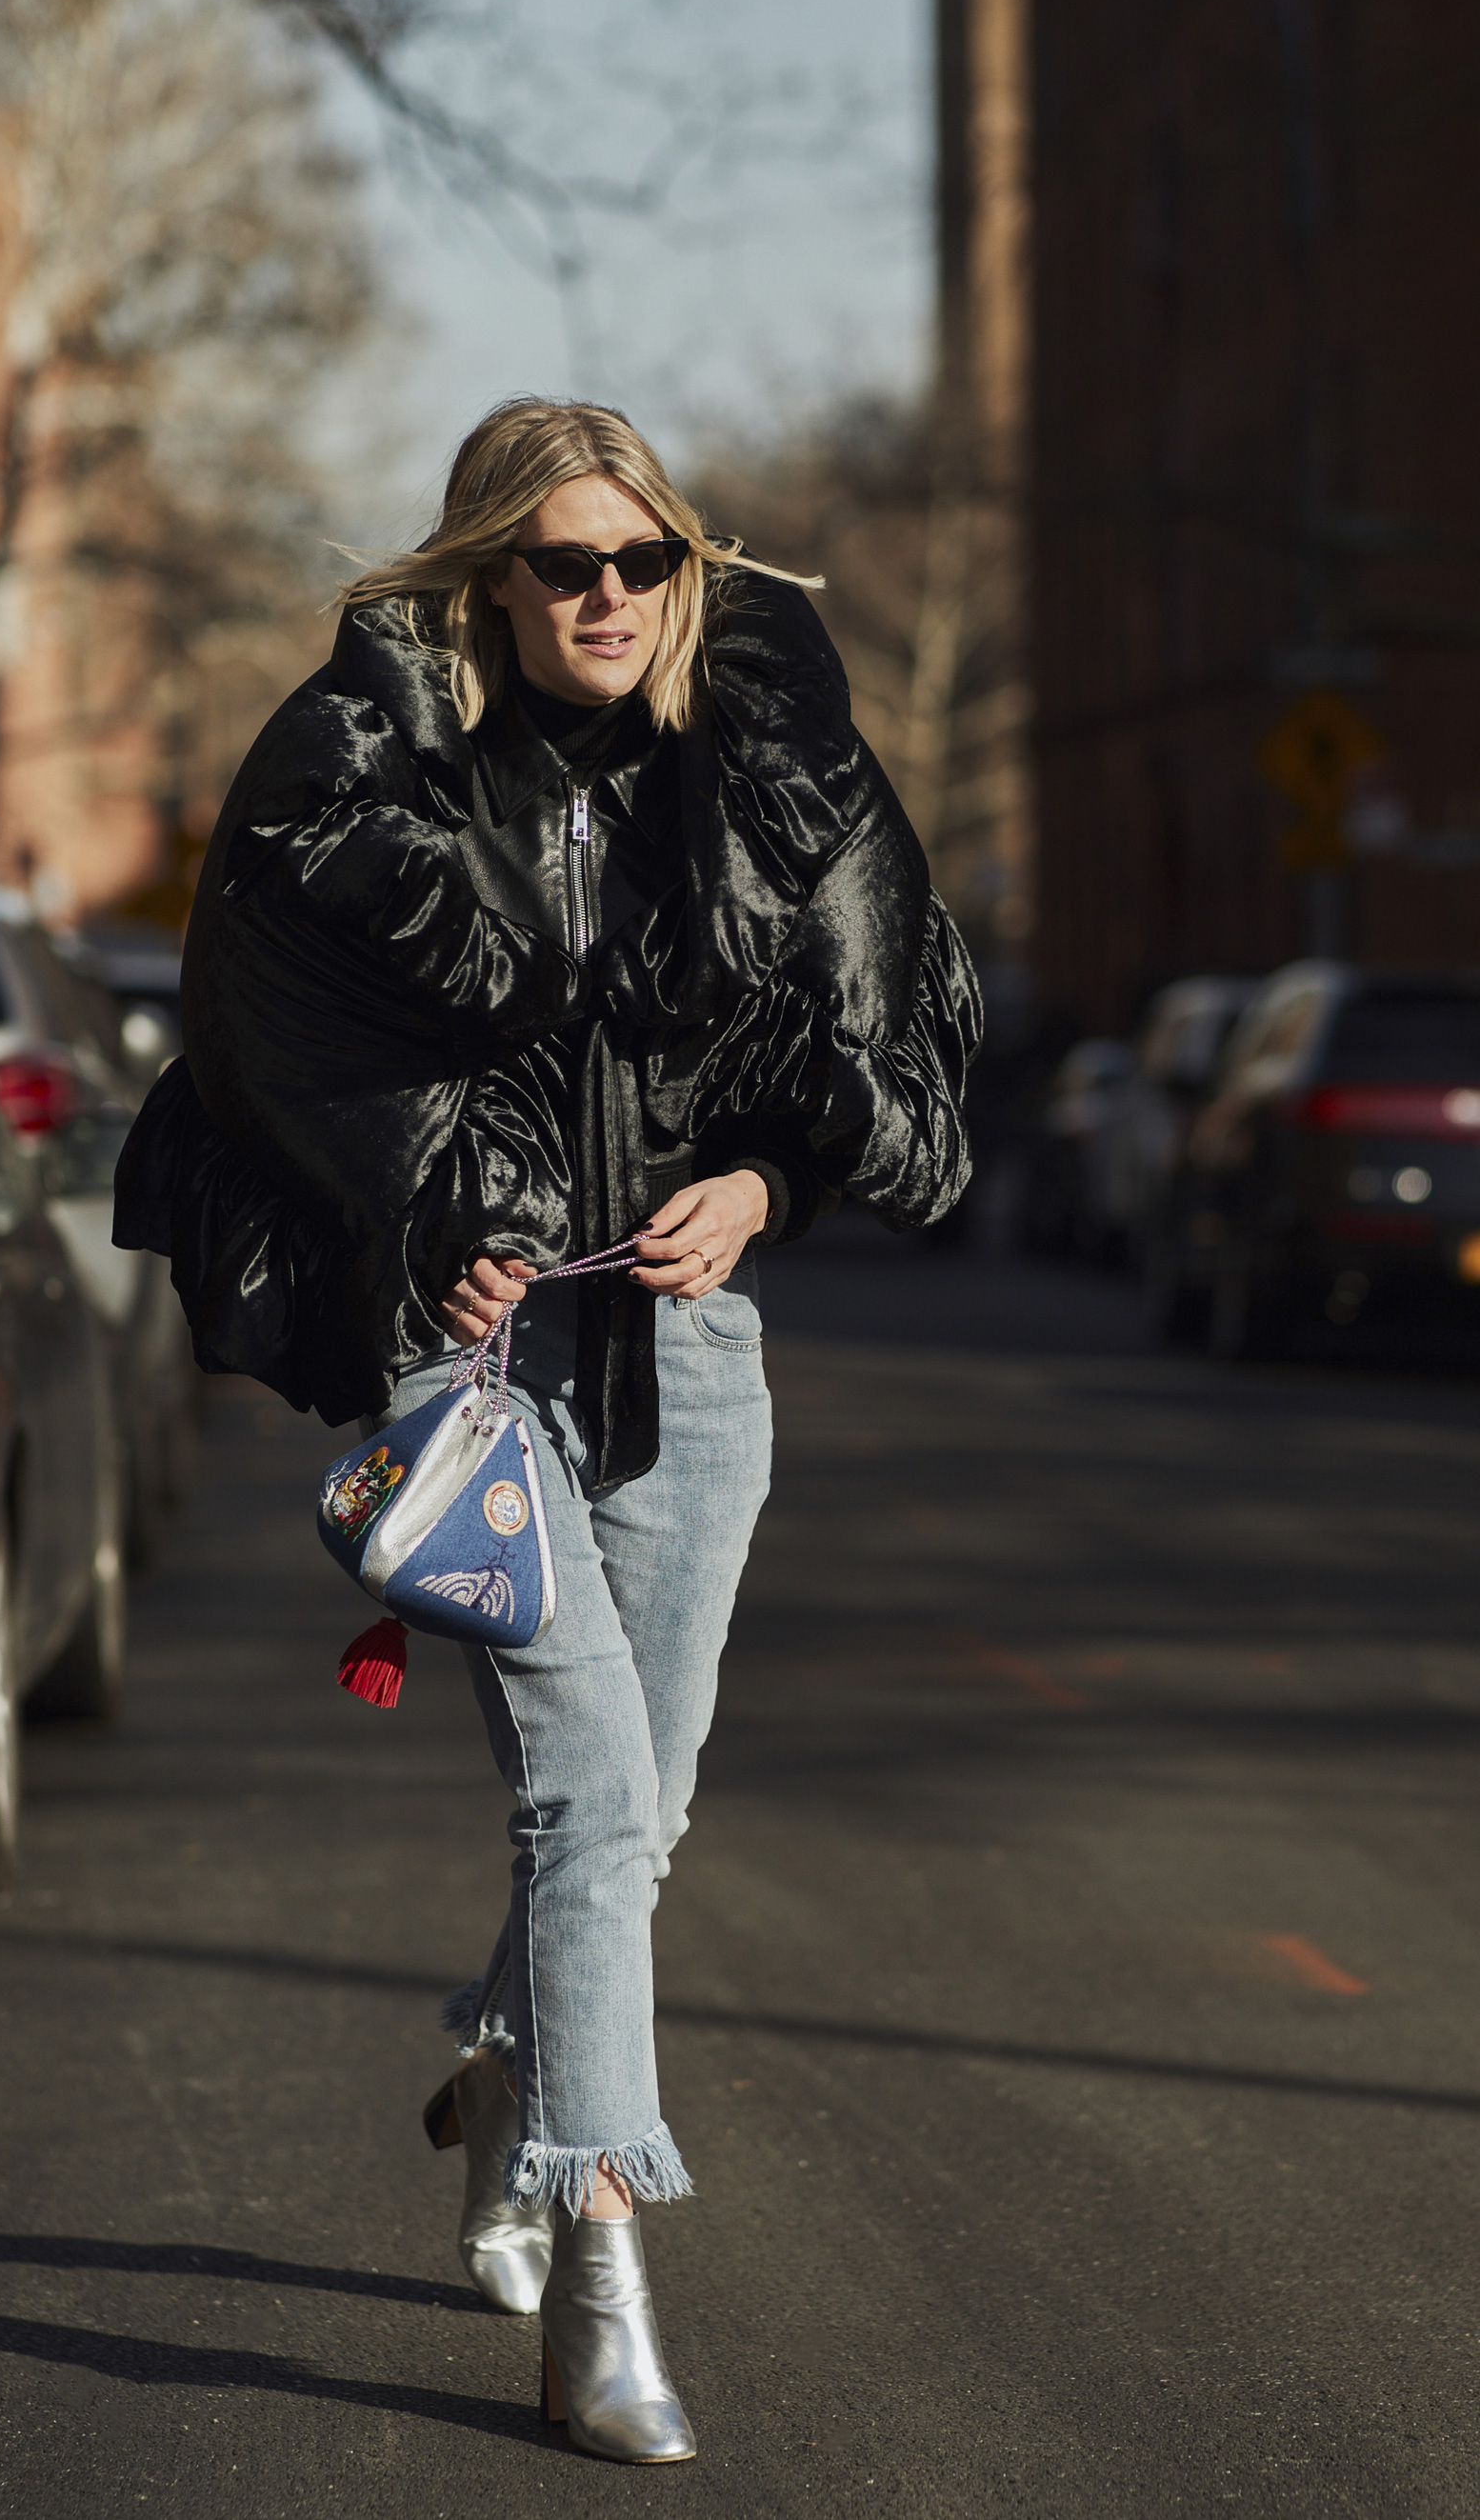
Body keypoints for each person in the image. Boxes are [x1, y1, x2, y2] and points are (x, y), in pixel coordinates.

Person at [115, 396, 979, 2464]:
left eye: (643, 562)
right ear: (489, 579)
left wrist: (763, 1190)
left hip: (685, 1349)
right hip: (472, 1368)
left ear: (686, 571)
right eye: (566, 564)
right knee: (588, 1791)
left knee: (647, 1810)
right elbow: (267, 1051)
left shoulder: (762, 776)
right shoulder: (376, 780)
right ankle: (602, 2262)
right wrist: (441, 1219)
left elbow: (883, 1045)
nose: (610, 599)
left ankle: (510, 2074)